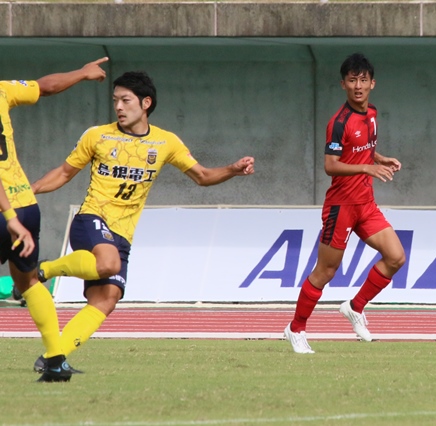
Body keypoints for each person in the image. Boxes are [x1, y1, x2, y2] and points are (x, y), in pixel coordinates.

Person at [32, 71, 255, 372]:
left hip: (123, 234)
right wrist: (29, 190)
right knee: (108, 264)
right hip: (91, 219)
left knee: (106, 299)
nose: (119, 107)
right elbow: (63, 172)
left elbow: (202, 176)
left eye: (125, 100)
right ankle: (45, 269)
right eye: (115, 101)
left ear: (145, 103)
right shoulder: (97, 136)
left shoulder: (165, 142)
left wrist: (232, 169)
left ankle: (53, 358)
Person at [284, 53, 406, 354]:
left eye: (363, 80)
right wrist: (367, 168)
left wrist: (379, 159)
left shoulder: (372, 113)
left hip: (366, 204)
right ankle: (295, 329)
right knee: (325, 271)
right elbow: (331, 165)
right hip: (341, 207)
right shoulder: (338, 123)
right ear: (343, 84)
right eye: (352, 80)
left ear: (373, 83)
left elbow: (364, 147)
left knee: (396, 257)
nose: (358, 86)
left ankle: (355, 307)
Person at [0, 59, 109, 382]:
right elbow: (44, 87)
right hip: (26, 204)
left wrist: (9, 217)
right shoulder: (2, 90)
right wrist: (82, 73)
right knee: (28, 282)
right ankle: (55, 360)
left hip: (8, 212)